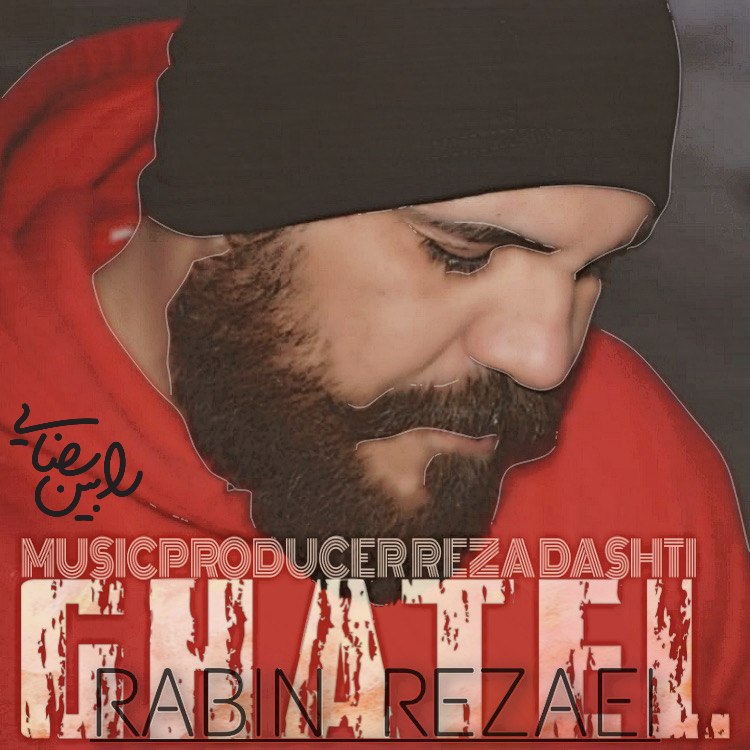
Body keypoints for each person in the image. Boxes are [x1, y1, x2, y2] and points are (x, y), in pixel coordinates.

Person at [1, 1, 748, 745]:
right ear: (229, 193)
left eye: (592, 269)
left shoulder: (640, 483)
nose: (545, 359)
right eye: (461, 254)